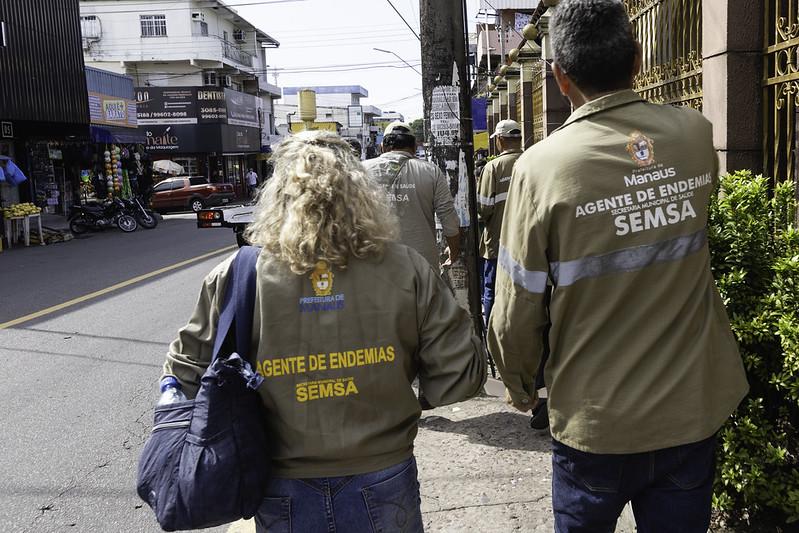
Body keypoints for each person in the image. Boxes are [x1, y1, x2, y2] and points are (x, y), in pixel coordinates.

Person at [487, 1, 749, 531]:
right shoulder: (694, 135)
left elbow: (516, 304)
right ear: (636, 60)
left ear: (559, 76)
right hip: (689, 409)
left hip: (595, 421)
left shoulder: (540, 169)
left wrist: (519, 383)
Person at [162, 130, 486, 533]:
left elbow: (182, 374)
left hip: (279, 483)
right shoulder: (407, 268)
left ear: (278, 193)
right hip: (383, 473)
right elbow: (460, 376)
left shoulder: (238, 273)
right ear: (361, 191)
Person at [363, 121, 461, 270]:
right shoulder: (431, 171)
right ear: (414, 147)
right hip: (422, 266)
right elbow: (449, 219)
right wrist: (454, 251)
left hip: (375, 265)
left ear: (382, 147)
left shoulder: (361, 171)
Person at [477, 119, 523, 327]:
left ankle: (492, 333)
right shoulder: (532, 160)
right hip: (528, 243)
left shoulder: (493, 167)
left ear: (501, 141)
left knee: (492, 290)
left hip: (498, 243)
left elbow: (484, 208)